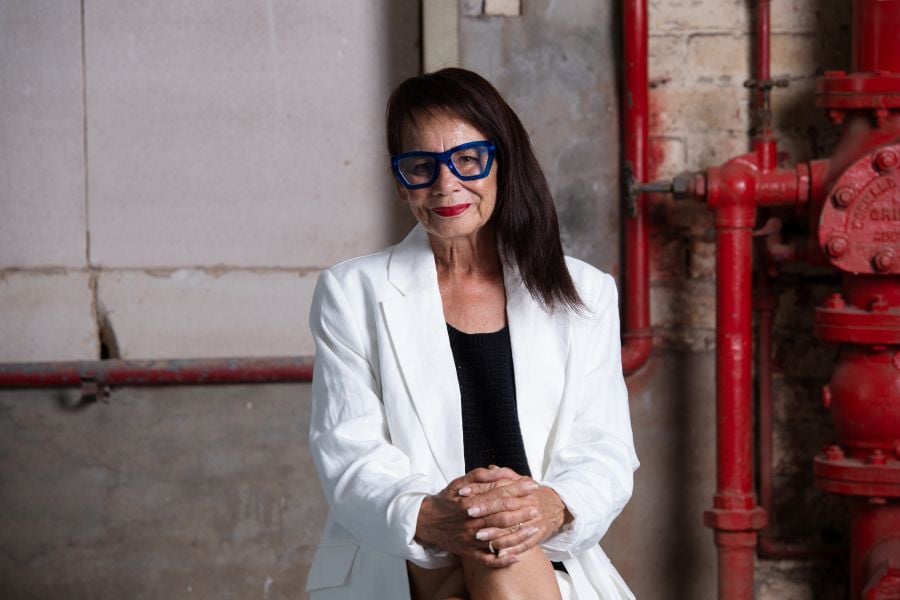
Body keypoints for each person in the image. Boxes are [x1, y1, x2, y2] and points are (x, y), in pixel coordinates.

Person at [306, 68, 638, 600]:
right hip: (411, 551)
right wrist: (439, 516)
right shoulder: (352, 292)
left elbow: (605, 451)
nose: (446, 185)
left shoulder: (586, 292)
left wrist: (546, 507)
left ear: (501, 161)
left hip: (536, 551)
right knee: (490, 548)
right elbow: (350, 450)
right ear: (399, 181)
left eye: (467, 160)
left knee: (497, 552)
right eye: (421, 166)